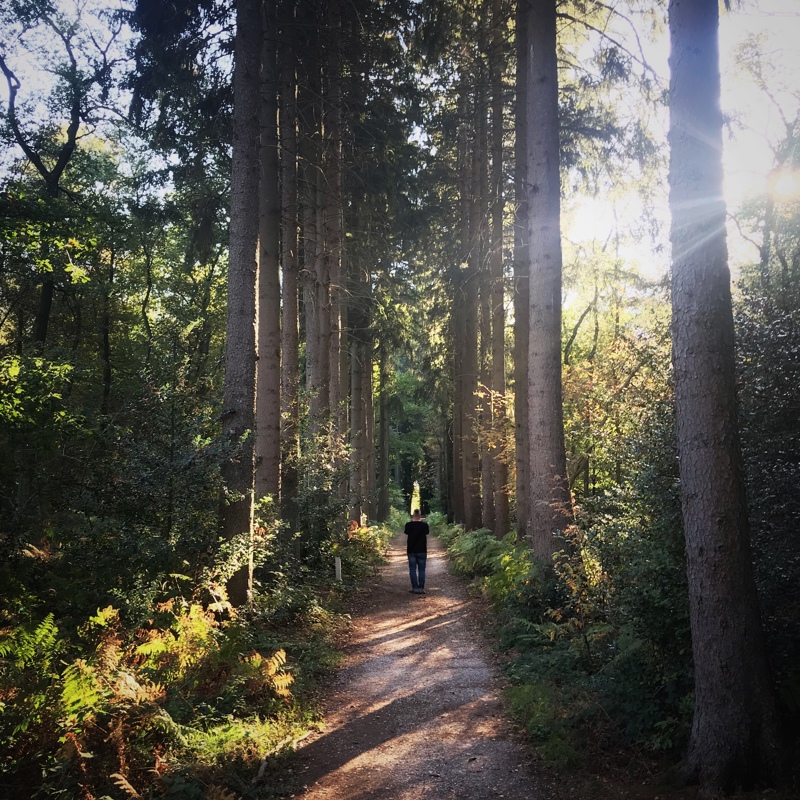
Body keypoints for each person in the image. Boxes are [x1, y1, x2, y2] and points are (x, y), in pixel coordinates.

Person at [404, 509, 429, 595]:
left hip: (411, 550)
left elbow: (406, 532)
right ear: (420, 516)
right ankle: (421, 588)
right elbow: (427, 532)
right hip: (422, 550)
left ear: (413, 515)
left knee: (412, 569)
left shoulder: (408, 525)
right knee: (422, 570)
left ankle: (415, 587)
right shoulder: (424, 525)